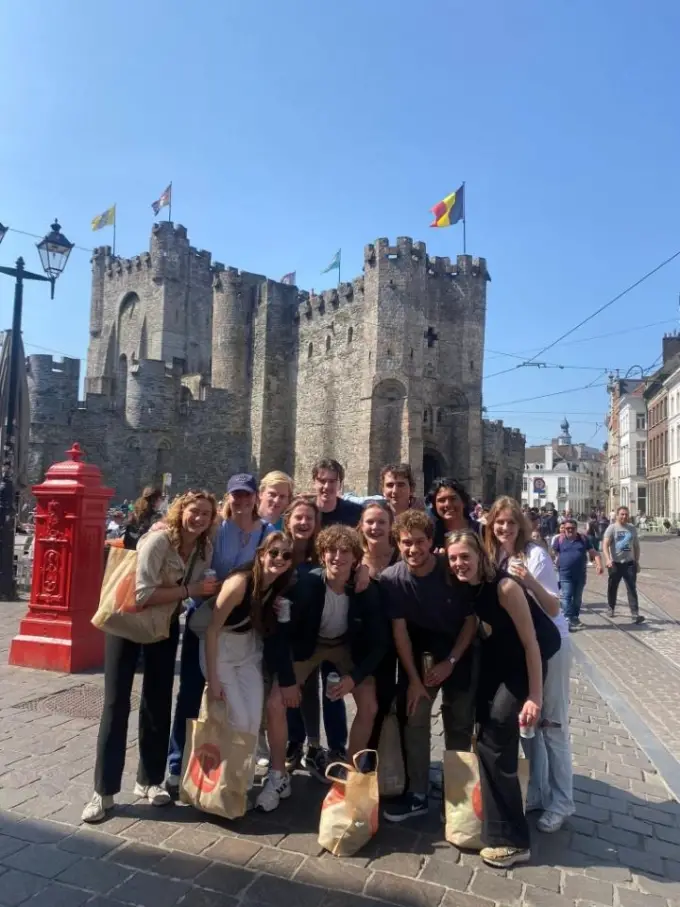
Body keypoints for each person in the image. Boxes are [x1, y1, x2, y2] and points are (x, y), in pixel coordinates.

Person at [82, 490, 219, 823]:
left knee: (158, 701)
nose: (198, 518)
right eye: (193, 511)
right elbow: (142, 593)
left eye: (205, 514)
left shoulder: (204, 548)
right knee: (115, 705)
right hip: (126, 623)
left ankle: (150, 780)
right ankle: (103, 792)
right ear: (180, 511)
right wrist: (190, 591)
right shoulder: (158, 540)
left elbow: (198, 585)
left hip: (164, 625)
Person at [447, 529, 560, 868]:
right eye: (453, 559)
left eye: (464, 557)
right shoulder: (471, 586)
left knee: (497, 736)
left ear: (480, 556)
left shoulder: (506, 587)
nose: (458, 564)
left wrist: (534, 698)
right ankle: (495, 822)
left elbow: (532, 645)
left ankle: (513, 839)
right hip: (500, 659)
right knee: (485, 732)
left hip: (525, 663)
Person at [258, 525, 388, 812]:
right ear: (322, 554)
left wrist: (353, 679)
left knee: (369, 705)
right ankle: (277, 775)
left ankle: (351, 774)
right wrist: (290, 680)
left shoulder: (366, 590)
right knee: (276, 702)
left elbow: (380, 643)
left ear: (356, 559)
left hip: (346, 647)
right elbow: (280, 635)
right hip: (311, 644)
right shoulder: (304, 585)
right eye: (331, 550)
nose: (337, 557)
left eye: (345, 552)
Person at [166, 474, 274, 790]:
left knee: (234, 701)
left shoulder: (267, 533)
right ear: (228, 498)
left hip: (242, 630)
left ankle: (228, 766)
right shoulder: (216, 529)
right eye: (235, 496)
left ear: (256, 498)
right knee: (189, 693)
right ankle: (177, 762)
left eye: (246, 496)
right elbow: (181, 533)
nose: (241, 502)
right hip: (205, 622)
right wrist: (161, 526)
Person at [380, 510, 477, 822]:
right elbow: (400, 634)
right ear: (397, 543)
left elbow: (470, 621)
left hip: (459, 654)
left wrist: (451, 661)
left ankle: (458, 796)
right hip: (423, 658)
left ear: (431, 541)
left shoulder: (450, 571)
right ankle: (418, 792)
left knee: (459, 723)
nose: (413, 549)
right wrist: (414, 681)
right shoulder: (392, 579)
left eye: (420, 542)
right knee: (416, 714)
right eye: (406, 543)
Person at [484, 496, 573, 834]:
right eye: (499, 522)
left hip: (553, 645)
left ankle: (563, 802)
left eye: (510, 522)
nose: (504, 528)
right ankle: (536, 792)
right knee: (529, 725)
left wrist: (529, 581)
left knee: (553, 725)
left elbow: (553, 608)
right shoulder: (494, 555)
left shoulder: (534, 555)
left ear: (521, 526)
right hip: (525, 646)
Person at [204, 532, 295, 785]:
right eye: (273, 552)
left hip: (248, 652)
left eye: (286, 555)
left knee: (253, 721)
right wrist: (213, 680)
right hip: (222, 650)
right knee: (239, 719)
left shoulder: (278, 584)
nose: (279, 559)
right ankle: (226, 781)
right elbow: (212, 629)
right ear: (261, 554)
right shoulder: (239, 583)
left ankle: (240, 782)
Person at [282, 496, 348, 777]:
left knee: (332, 690)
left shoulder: (323, 551)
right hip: (293, 634)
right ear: (288, 521)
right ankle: (299, 743)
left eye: (309, 518)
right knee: (293, 691)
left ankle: (334, 748)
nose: (304, 523)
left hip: (327, 634)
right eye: (298, 517)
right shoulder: (278, 549)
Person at [357, 501, 402, 750]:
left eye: (381, 522)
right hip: (366, 643)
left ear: (391, 526)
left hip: (399, 639)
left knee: (389, 701)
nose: (375, 527)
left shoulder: (401, 555)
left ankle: (389, 762)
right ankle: (367, 760)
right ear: (361, 525)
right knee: (370, 704)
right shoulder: (354, 558)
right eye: (370, 522)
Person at [552, 518, 603, 631]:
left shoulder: (583, 539)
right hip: (565, 573)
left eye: (572, 528)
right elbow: (554, 553)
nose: (569, 530)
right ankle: (567, 618)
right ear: (564, 529)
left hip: (580, 574)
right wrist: (555, 562)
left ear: (576, 529)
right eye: (567, 528)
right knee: (566, 596)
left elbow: (594, 553)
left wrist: (599, 565)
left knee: (577, 598)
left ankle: (574, 617)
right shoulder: (559, 540)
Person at [603, 507, 645, 624]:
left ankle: (635, 613)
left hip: (629, 563)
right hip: (615, 563)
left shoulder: (632, 528)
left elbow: (636, 546)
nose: (624, 517)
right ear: (617, 515)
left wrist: (636, 561)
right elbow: (605, 545)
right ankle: (611, 607)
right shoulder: (612, 528)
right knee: (612, 586)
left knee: (631, 588)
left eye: (626, 514)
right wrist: (607, 559)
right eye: (622, 514)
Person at [427, 477, 477, 550]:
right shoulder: (430, 536)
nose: (447, 504)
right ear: (435, 506)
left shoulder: (482, 532)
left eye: (453, 499)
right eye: (441, 500)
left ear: (463, 502)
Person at [313, 458, 363, 527]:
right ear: (314, 483)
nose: (327, 486)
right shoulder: (304, 512)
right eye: (322, 481)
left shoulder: (356, 513)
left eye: (332, 481)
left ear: (340, 485)